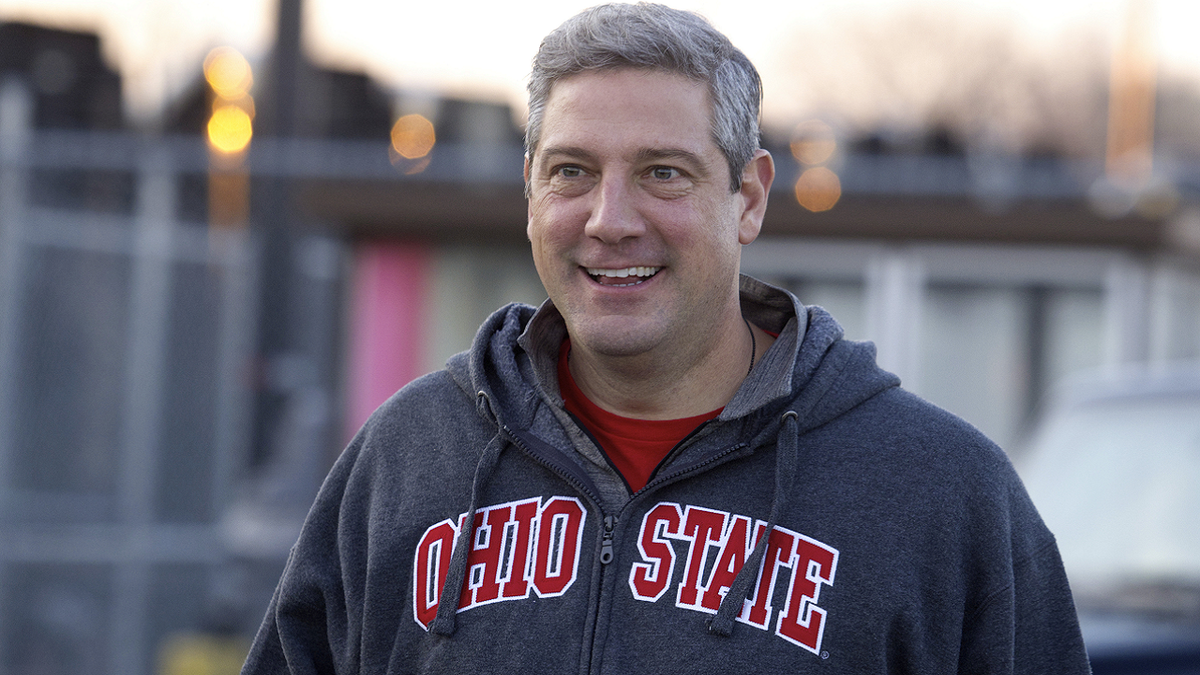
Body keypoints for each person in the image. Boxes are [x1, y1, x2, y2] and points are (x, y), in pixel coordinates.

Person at [241, 3, 1092, 673]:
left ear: (748, 197)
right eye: (571, 171)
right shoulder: (406, 457)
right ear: (530, 193)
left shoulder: (942, 495)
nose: (611, 222)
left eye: (663, 173)